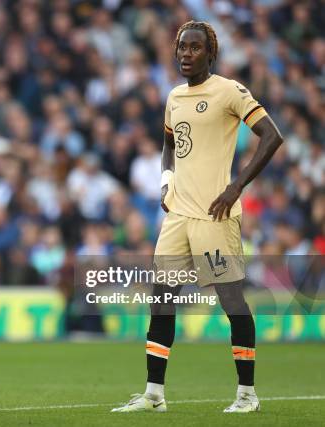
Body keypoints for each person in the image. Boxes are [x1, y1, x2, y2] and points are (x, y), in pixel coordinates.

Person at [112, 21, 283, 414]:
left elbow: (272, 136)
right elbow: (170, 144)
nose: (186, 55)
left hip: (215, 216)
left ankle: (247, 395)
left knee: (230, 300)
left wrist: (236, 186)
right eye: (181, 48)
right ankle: (154, 395)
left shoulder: (230, 91)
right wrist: (167, 180)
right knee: (162, 300)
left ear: (211, 53)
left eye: (194, 48)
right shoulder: (174, 97)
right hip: (178, 217)